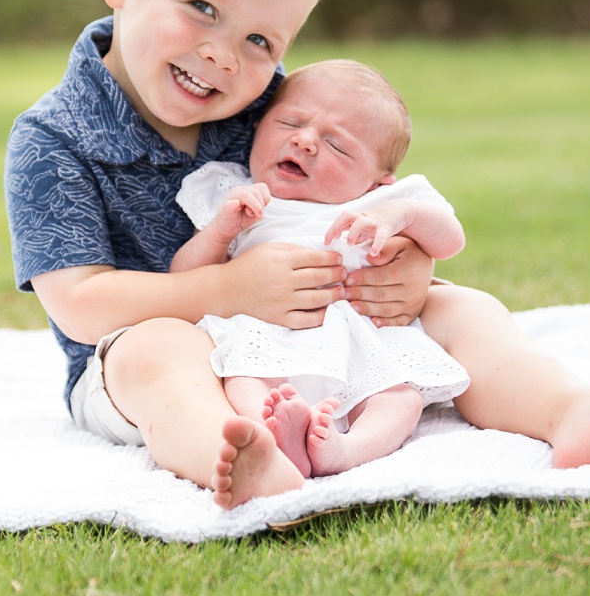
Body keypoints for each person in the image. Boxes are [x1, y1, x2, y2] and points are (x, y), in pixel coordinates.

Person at [4, 0, 590, 511]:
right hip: (143, 358)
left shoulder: (273, 108)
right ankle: (235, 447)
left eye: (260, 40)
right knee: (161, 348)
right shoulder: (54, 139)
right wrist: (226, 290)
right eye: (202, 8)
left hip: (323, 332)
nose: (222, 56)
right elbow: (83, 304)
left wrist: (406, 267)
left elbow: (361, 191)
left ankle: (573, 410)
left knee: (463, 308)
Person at [168, 59, 468, 491]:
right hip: (265, 333)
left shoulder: (386, 201)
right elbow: (184, 276)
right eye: (289, 122)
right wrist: (219, 233)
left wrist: (398, 215)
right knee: (244, 379)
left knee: (400, 398)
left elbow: (450, 240)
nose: (305, 141)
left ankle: (346, 450)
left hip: (360, 340)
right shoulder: (232, 193)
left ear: (377, 181)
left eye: (337, 145)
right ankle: (270, 434)